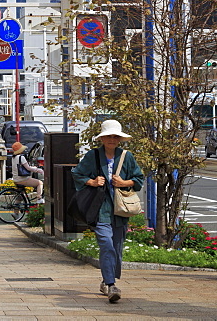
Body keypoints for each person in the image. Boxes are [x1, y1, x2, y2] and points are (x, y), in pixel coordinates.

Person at [71, 119, 145, 304]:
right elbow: (77, 174)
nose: (112, 139)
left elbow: (138, 179)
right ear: (102, 138)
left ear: (120, 139)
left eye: (115, 136)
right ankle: (112, 285)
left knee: (117, 248)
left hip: (120, 209)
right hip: (100, 208)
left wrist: (124, 183)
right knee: (106, 244)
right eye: (108, 136)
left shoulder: (126, 156)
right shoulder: (93, 156)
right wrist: (93, 182)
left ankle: (106, 281)